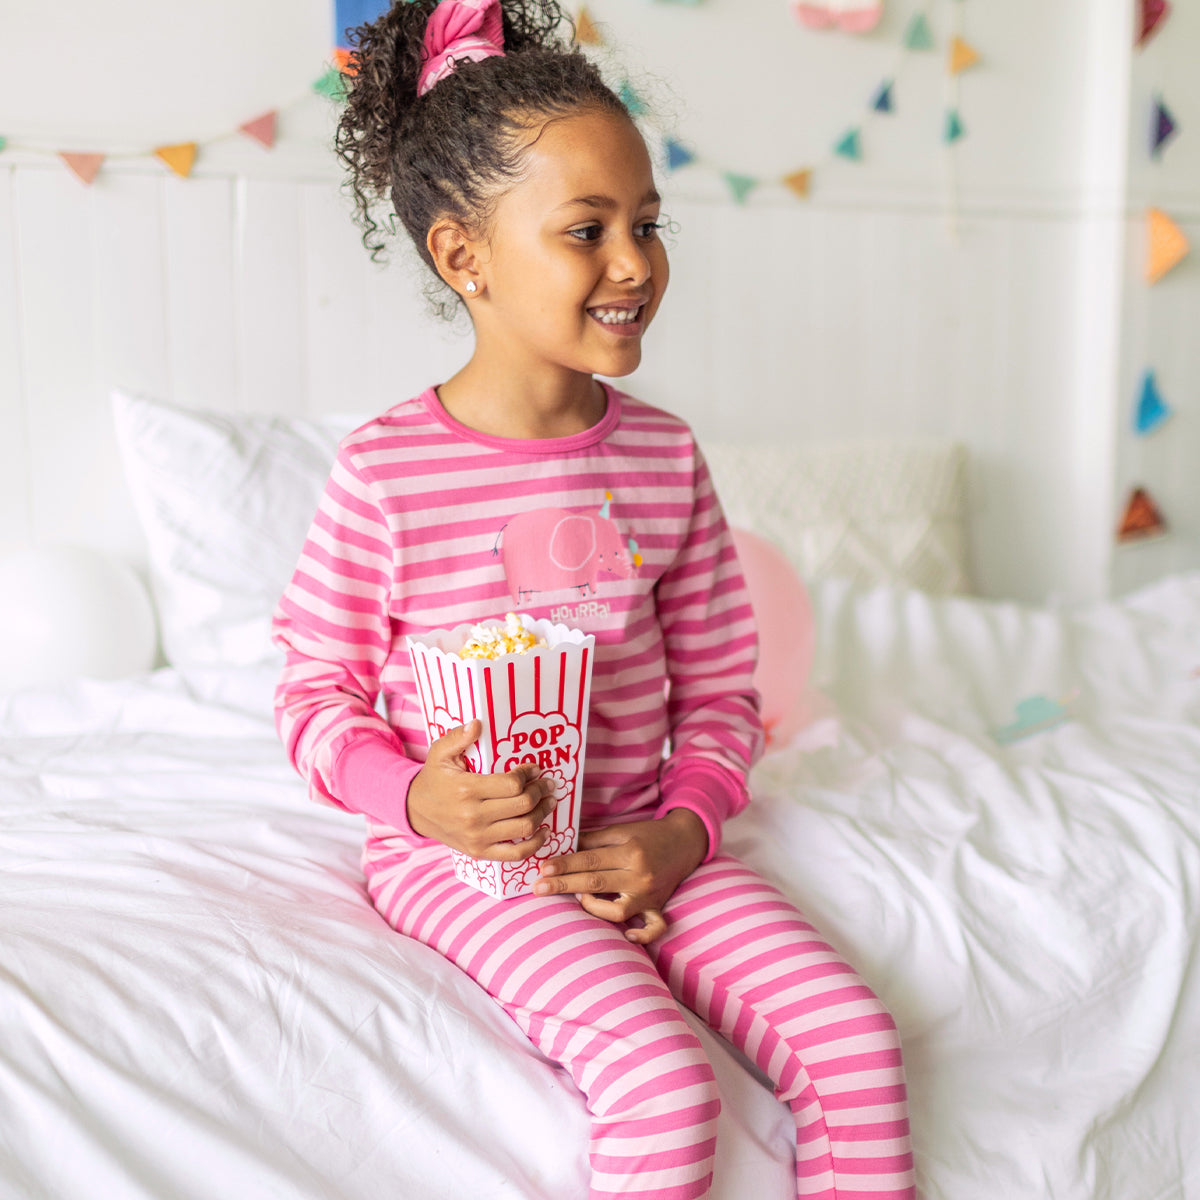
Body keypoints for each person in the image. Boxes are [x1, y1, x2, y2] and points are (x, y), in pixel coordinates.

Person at [271, 1, 916, 1196]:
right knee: (665, 1089)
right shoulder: (386, 473)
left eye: (648, 224)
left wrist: (683, 829)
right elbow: (315, 696)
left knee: (857, 1048)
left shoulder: (665, 457)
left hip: (645, 837)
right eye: (587, 229)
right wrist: (420, 800)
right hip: (465, 860)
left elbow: (727, 692)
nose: (635, 264)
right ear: (464, 256)